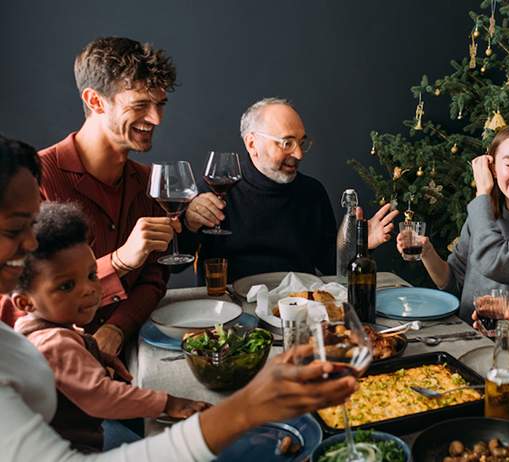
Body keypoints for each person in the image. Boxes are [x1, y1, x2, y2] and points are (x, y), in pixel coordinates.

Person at [0, 135, 357, 461]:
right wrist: (240, 410)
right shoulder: (44, 334)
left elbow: (156, 273)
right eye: (17, 228)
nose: (32, 244)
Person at [1, 37, 180, 357]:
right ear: (95, 100)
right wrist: (120, 261)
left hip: (130, 349)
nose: (156, 119)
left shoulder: (149, 180)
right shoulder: (32, 181)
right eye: (140, 105)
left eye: (160, 104)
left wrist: (117, 327)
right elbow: (17, 298)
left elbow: (154, 275)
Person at [12, 202, 211, 452]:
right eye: (66, 286)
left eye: (92, 275)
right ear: (25, 302)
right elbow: (102, 396)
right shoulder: (56, 344)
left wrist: (91, 350)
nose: (90, 289)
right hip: (74, 450)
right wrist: (170, 403)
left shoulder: (33, 328)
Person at [392, 123, 509, 356]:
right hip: (470, 345)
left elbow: (497, 261)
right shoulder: (484, 217)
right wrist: (428, 253)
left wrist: (483, 192)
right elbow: (454, 283)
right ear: (493, 168)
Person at [182, 97, 398, 283]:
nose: (299, 154)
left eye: (301, 143)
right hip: (231, 309)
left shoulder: (312, 192)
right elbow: (175, 265)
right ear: (251, 144)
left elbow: (330, 266)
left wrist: (360, 245)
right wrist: (189, 223)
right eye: (286, 143)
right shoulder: (214, 192)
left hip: (298, 307)